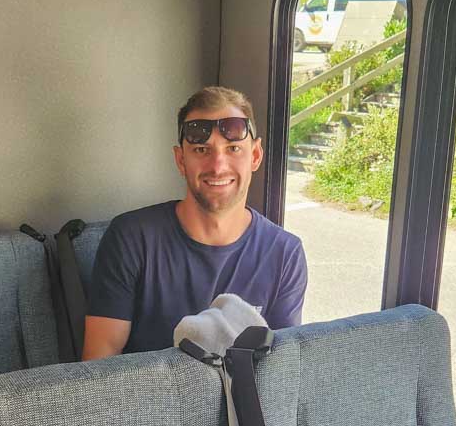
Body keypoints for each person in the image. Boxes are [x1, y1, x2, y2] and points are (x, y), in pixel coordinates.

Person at [82, 86, 308, 359]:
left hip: (238, 401)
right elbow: (98, 366)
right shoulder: (131, 238)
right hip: (150, 400)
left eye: (233, 148)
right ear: (181, 160)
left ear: (255, 156)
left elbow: (280, 371)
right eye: (202, 149)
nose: (218, 166)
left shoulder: (285, 253)